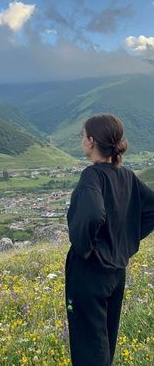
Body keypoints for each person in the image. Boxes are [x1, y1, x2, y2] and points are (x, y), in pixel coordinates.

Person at [65, 114, 154, 366]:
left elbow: (92, 214)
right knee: (104, 341)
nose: (82, 141)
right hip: (116, 271)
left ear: (91, 141)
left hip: (90, 272)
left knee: (88, 346)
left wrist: (86, 248)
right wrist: (125, 241)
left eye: (83, 136)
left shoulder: (92, 176)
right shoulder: (126, 176)